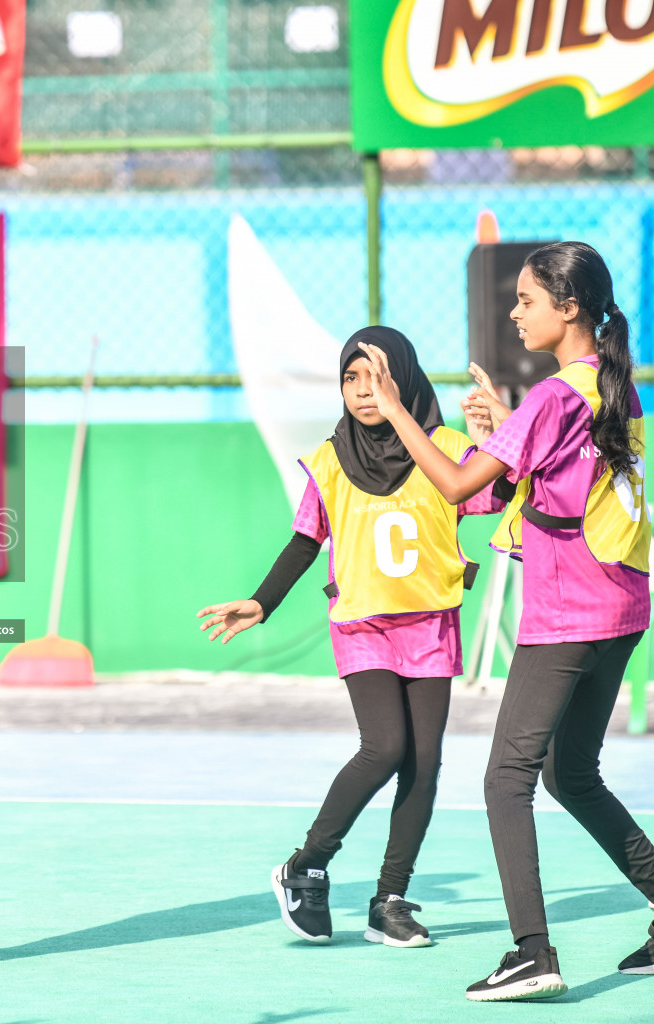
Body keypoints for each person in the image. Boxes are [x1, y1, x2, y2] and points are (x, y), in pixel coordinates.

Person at [360, 241, 654, 1002]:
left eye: (526, 301)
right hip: (620, 610)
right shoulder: (607, 390)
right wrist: (504, 427)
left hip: (566, 617)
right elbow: (541, 490)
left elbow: (458, 483)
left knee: (505, 780)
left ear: (570, 308)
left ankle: (532, 952)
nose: (515, 312)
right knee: (571, 773)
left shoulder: (555, 397)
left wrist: (397, 410)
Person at [198, 327, 500, 949]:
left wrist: (492, 438)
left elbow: (495, 496)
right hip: (363, 624)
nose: (365, 392)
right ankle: (307, 863)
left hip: (430, 622)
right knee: (385, 746)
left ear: (406, 379)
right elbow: (307, 539)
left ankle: (390, 900)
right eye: (351, 379)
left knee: (425, 763)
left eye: (378, 378)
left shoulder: (443, 446)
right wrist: (263, 601)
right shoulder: (331, 458)